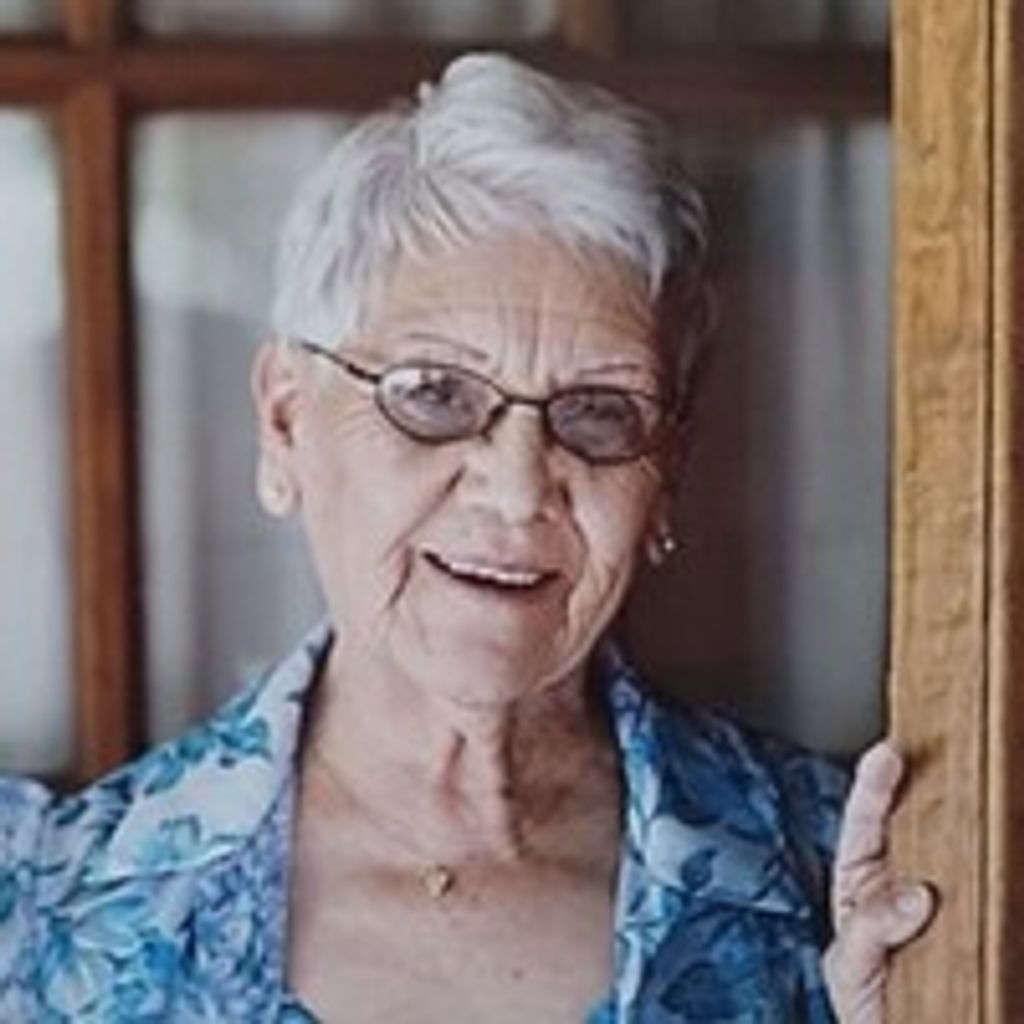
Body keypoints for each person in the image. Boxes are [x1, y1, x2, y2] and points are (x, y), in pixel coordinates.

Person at [0, 53, 932, 1023]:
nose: (519, 491)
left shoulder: (838, 879)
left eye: (599, 412)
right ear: (285, 422)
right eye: (434, 394)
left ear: (664, 477)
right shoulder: (42, 915)